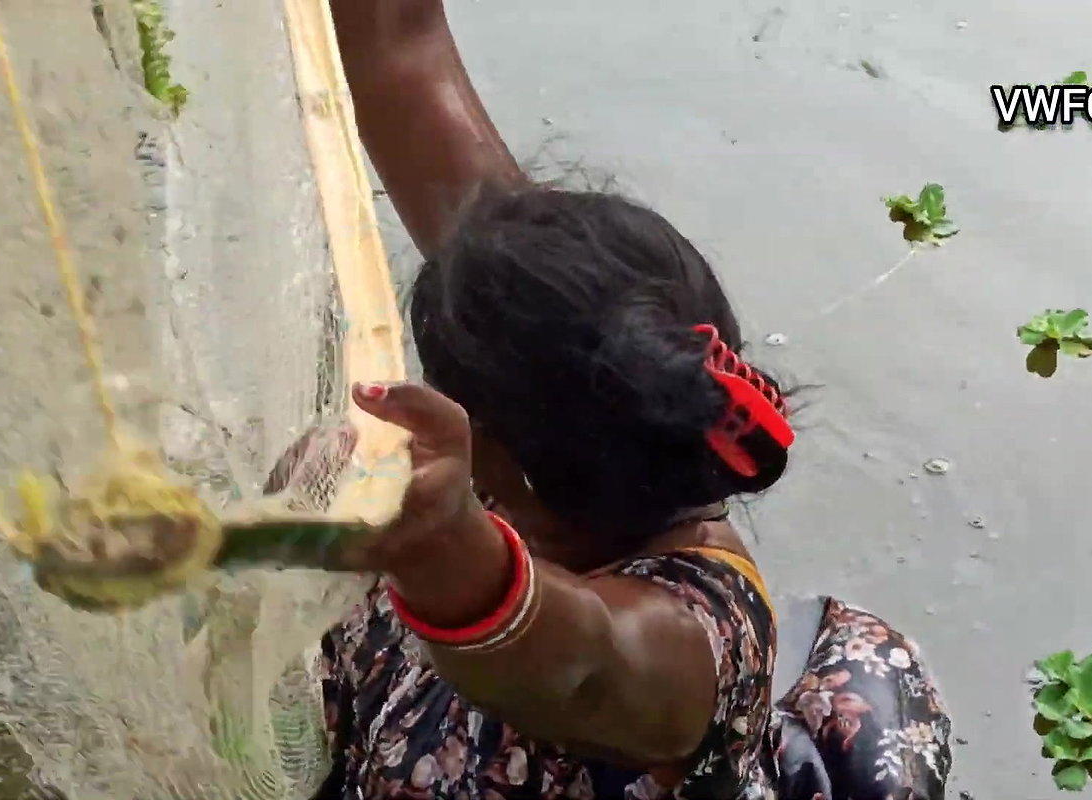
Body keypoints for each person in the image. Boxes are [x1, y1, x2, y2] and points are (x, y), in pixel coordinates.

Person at [306, 1, 955, 798]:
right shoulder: (539, 311)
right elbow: (399, 56)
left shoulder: (691, 646)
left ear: (504, 455)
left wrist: (452, 546)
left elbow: (580, 668)